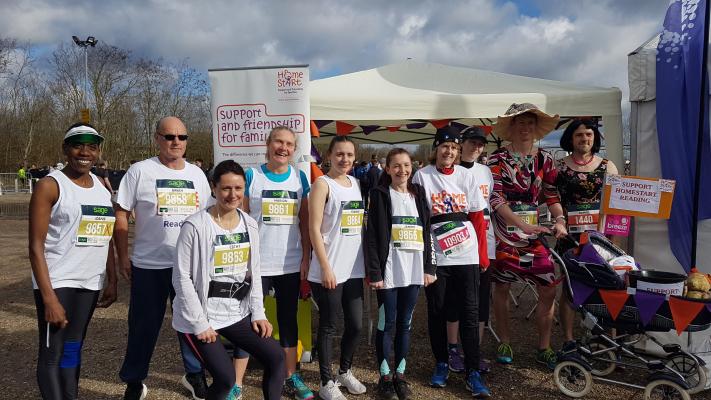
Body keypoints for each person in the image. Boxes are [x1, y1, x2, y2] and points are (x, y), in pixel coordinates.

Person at [172, 160, 286, 400]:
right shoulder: (195, 226)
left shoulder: (249, 224)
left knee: (276, 357)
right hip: (201, 317)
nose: (233, 195)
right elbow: (181, 278)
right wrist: (200, 323)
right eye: (226, 188)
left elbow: (254, 271)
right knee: (226, 379)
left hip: (235, 313)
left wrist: (258, 313)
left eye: (238, 188)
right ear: (213, 188)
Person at [115, 116, 211, 400]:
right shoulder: (139, 171)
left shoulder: (196, 174)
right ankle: (134, 380)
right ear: (157, 138)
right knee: (143, 326)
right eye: (169, 137)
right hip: (149, 264)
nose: (176, 142)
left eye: (182, 137)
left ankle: (194, 375)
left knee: (193, 322)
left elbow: (208, 217)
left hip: (189, 266)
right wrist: (123, 256)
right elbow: (121, 213)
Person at [28, 123, 118, 399]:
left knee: (72, 349)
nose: (85, 152)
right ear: (66, 149)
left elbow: (107, 236)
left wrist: (112, 279)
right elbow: (35, 246)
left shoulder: (102, 190)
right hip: (58, 282)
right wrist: (49, 298)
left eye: (92, 146)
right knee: (52, 354)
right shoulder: (50, 185)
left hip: (90, 282)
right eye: (78, 144)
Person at [233, 126, 314, 400]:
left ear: (294, 149)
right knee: (246, 321)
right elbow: (239, 221)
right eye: (279, 142)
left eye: (289, 144)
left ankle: (291, 377)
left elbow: (305, 223)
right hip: (256, 264)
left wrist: (306, 257)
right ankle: (237, 383)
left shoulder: (299, 178)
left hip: (289, 264)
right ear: (268, 145)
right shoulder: (251, 176)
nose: (284, 148)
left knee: (288, 321)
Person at [487, 103, 567, 371]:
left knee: (548, 286)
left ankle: (544, 346)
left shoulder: (546, 159)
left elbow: (552, 194)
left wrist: (560, 219)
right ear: (511, 127)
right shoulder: (496, 159)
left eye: (529, 123)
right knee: (501, 287)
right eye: (519, 123)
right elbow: (495, 198)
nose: (525, 128)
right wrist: (521, 223)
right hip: (504, 233)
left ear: (536, 128)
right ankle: (505, 341)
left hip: (534, 235)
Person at [412, 126, 491, 398]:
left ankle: (472, 371)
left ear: (459, 152)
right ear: (436, 148)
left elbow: (478, 218)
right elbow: (418, 218)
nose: (449, 152)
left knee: (470, 312)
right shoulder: (422, 176)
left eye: (455, 148)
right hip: (437, 254)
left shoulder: (467, 176)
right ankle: (442, 363)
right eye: (445, 147)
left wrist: (482, 255)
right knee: (437, 311)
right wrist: (422, 260)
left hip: (466, 253)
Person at [365, 148, 434, 400]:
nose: (402, 170)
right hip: (389, 271)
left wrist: (429, 268)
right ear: (387, 168)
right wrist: (375, 272)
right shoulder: (380, 194)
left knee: (405, 324)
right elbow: (371, 236)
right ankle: (384, 376)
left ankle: (400, 375)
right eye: (396, 165)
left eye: (406, 165)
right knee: (387, 323)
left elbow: (427, 232)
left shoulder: (419, 193)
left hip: (414, 271)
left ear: (412, 167)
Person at [308, 136, 367, 400]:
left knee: (355, 324)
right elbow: (313, 228)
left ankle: (344, 371)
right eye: (340, 154)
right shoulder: (322, 184)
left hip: (354, 268)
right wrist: (325, 267)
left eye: (349, 155)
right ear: (329, 155)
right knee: (329, 326)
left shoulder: (356, 183)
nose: (345, 159)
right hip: (330, 267)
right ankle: (325, 381)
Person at [554, 119, 618, 352]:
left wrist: (614, 238)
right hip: (569, 237)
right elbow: (551, 197)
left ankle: (608, 339)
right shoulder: (559, 166)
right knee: (571, 288)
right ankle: (569, 339)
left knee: (607, 286)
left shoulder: (608, 166)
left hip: (600, 237)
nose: (585, 139)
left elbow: (616, 205)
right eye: (579, 135)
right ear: (571, 139)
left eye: (589, 134)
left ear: (595, 137)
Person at [446, 126, 496, 374]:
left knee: (480, 302)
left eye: (480, 144)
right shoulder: (449, 171)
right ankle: (453, 348)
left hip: (486, 242)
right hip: (458, 245)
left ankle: (473, 351)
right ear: (460, 144)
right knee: (456, 299)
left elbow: (488, 207)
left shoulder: (486, 171)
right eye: (472, 142)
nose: (476, 148)